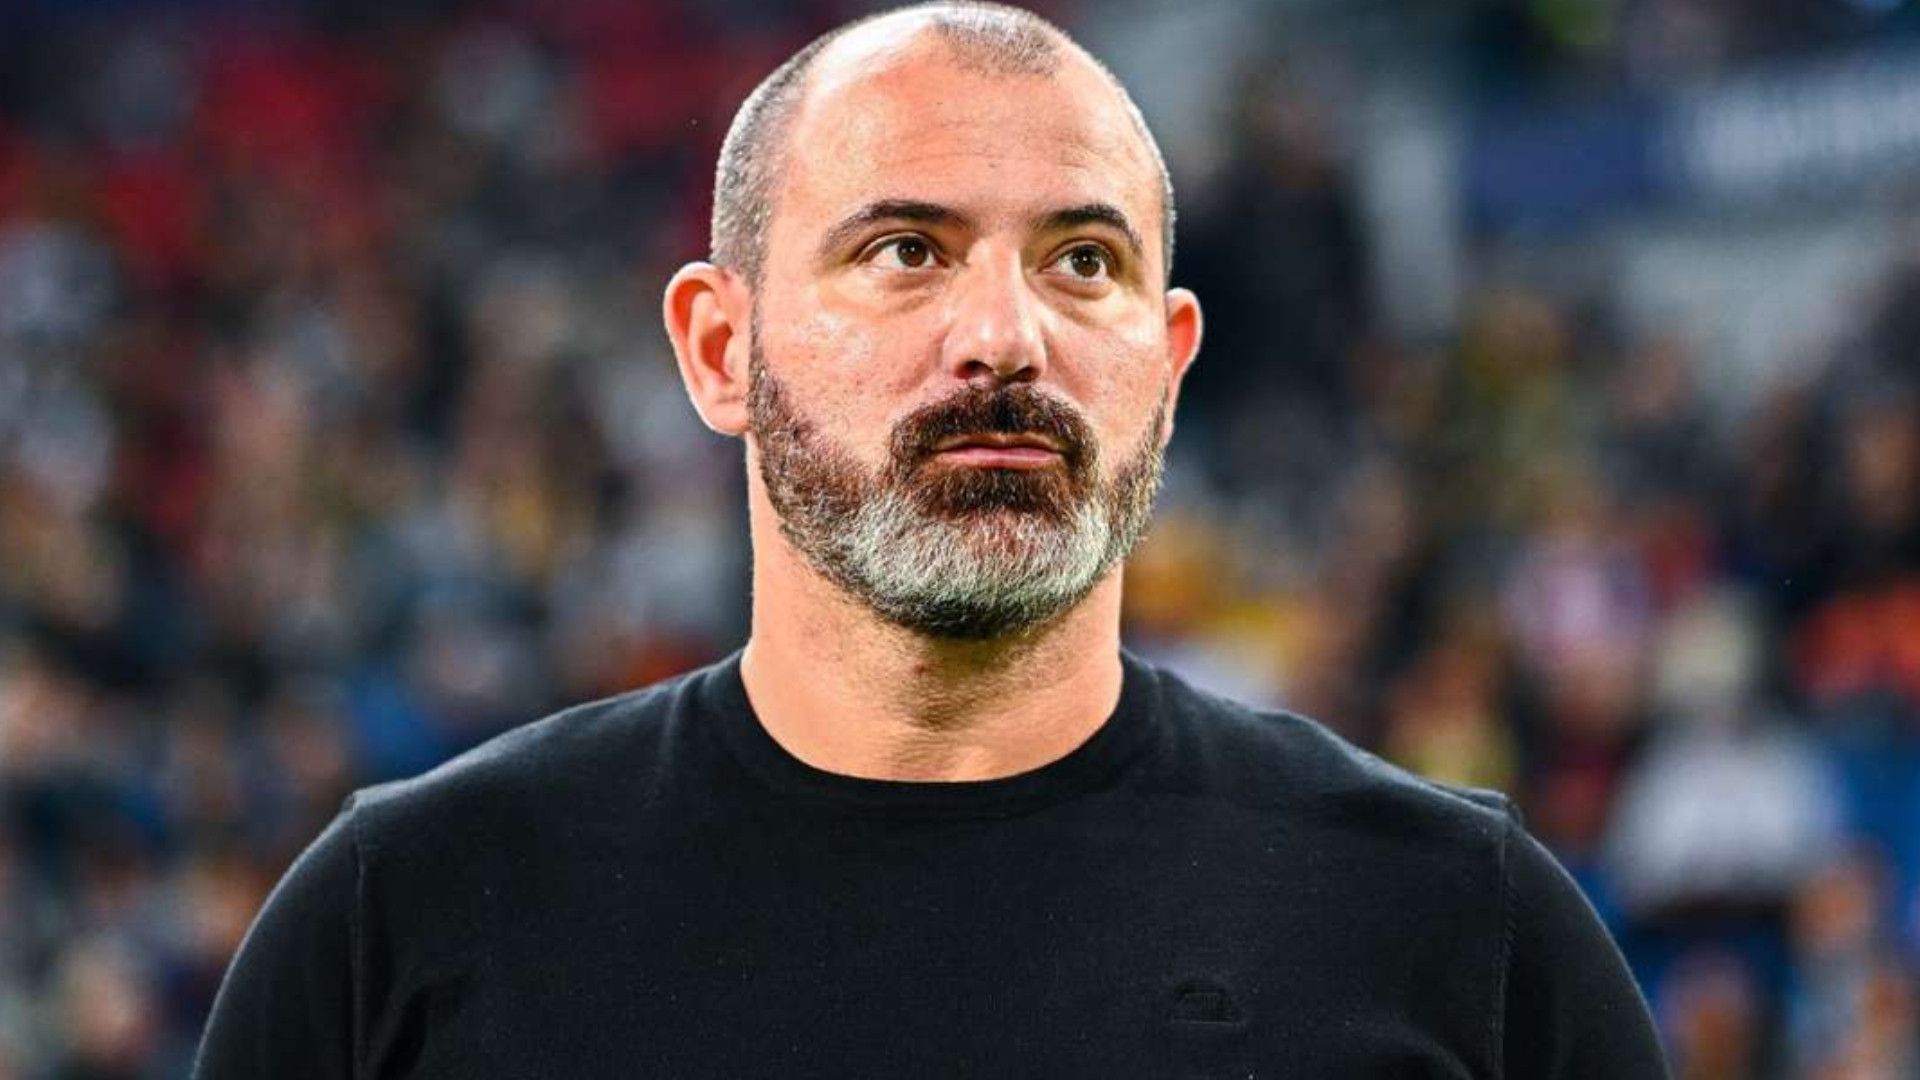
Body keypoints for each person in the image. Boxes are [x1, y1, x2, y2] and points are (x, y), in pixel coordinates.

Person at [194, 3, 1669, 1076]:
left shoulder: (1462, 934)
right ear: (718, 349)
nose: (1003, 336)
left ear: (1167, 365)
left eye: (1081, 261)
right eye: (905, 251)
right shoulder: (401, 925)